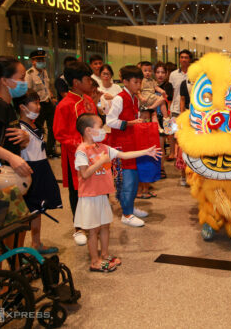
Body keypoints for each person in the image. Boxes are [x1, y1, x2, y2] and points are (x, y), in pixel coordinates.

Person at [74, 113, 161, 272]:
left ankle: (105, 254)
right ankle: (95, 261)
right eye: (99, 127)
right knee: (93, 231)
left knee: (105, 226)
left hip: (102, 195)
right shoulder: (81, 151)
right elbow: (85, 174)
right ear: (88, 130)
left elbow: (124, 155)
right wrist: (101, 161)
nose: (103, 130)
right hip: (90, 196)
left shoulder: (103, 147)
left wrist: (145, 152)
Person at [53, 61, 97, 246]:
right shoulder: (65, 105)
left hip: (92, 153)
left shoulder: (88, 101)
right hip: (75, 157)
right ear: (76, 82)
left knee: (92, 189)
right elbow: (59, 133)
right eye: (88, 79)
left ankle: (91, 222)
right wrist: (80, 146)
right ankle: (78, 227)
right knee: (76, 192)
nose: (91, 82)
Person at [16, 90, 62, 254]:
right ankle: (20, 249)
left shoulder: (35, 124)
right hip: (29, 170)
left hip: (42, 167)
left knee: (38, 209)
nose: (38, 107)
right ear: (22, 107)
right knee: (28, 211)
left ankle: (36, 243)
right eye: (34, 103)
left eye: (38, 102)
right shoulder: (19, 129)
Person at [106, 65, 149, 227]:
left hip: (133, 142)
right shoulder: (119, 98)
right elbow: (109, 121)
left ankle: (130, 206)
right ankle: (126, 213)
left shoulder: (134, 98)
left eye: (140, 82)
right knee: (127, 179)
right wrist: (131, 123)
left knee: (134, 178)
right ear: (125, 82)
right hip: (121, 145)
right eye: (135, 82)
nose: (139, 85)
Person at [25, 50, 58, 158]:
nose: (42, 62)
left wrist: (52, 97)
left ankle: (50, 150)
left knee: (53, 127)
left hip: (48, 102)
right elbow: (28, 91)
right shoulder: (29, 74)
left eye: (43, 60)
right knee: (38, 127)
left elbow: (46, 87)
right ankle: (38, 150)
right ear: (33, 61)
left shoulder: (44, 72)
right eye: (39, 60)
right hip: (38, 105)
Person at [168, 50, 192, 160]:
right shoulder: (173, 74)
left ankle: (182, 156)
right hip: (175, 108)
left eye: (186, 57)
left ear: (189, 59)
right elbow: (171, 92)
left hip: (188, 109)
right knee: (173, 132)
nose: (183, 59)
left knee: (184, 134)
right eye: (182, 57)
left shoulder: (193, 73)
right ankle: (173, 153)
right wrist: (169, 107)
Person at [155, 62, 174, 179]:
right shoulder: (150, 85)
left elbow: (169, 101)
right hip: (153, 116)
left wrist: (168, 119)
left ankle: (162, 167)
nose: (160, 75)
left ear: (167, 74)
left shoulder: (168, 86)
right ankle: (158, 168)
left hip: (166, 116)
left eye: (163, 72)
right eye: (158, 72)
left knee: (170, 137)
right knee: (158, 144)